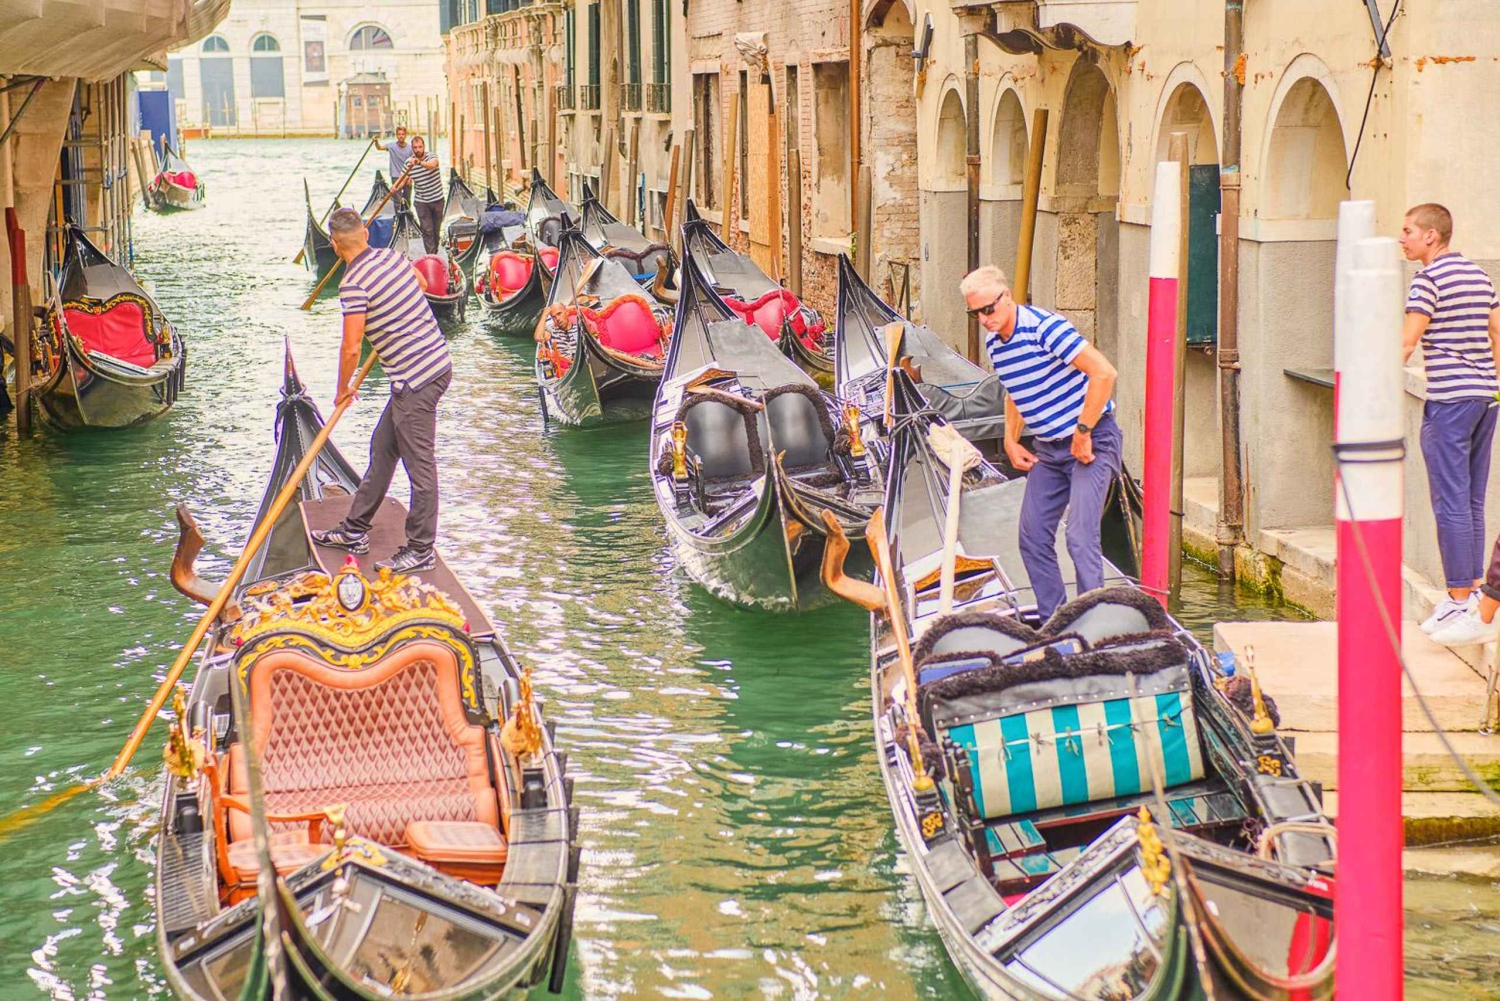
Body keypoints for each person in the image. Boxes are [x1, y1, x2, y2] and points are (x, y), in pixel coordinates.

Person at [961, 265, 1121, 620]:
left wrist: (1082, 431)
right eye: (976, 314)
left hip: (1091, 442)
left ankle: (1094, 623)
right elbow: (1016, 391)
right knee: (1032, 537)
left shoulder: (1045, 328)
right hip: (1049, 451)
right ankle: (1055, 621)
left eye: (989, 309)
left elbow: (1104, 373)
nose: (985, 320)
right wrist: (1011, 439)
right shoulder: (995, 343)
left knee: (1079, 539)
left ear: (1007, 297)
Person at [310, 207, 452, 574]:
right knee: (383, 447)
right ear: (366, 235)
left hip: (416, 378)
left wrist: (342, 390)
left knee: (420, 466)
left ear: (335, 245)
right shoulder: (392, 257)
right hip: (432, 365)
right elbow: (421, 285)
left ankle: (421, 548)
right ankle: (355, 530)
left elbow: (352, 348)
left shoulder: (353, 284)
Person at [1399, 203, 1500, 635]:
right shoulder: (1480, 276)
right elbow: (1497, 329)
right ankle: (1471, 590)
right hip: (1485, 399)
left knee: (1449, 502)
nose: (1401, 238)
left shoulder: (1427, 280)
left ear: (1431, 236)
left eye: (1408, 231)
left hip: (1449, 401)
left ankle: (1459, 597)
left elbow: (1407, 341)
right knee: (1472, 500)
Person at [397, 135, 444, 255]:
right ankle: (431, 256)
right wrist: (394, 187)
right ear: (412, 148)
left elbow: (432, 165)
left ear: (424, 147)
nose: (418, 149)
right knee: (427, 230)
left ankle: (435, 252)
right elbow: (402, 180)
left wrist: (419, 163)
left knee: (436, 231)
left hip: (437, 199)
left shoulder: (431, 156)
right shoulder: (409, 163)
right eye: (415, 147)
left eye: (420, 147)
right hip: (422, 202)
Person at [374, 126, 413, 208]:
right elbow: (379, 148)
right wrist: (376, 142)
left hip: (407, 177)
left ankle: (407, 217)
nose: (401, 136)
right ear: (396, 135)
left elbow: (413, 164)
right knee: (397, 201)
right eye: (399, 134)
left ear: (405, 135)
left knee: (407, 200)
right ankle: (398, 217)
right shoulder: (391, 146)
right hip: (395, 176)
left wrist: (411, 177)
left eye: (403, 134)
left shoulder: (410, 148)